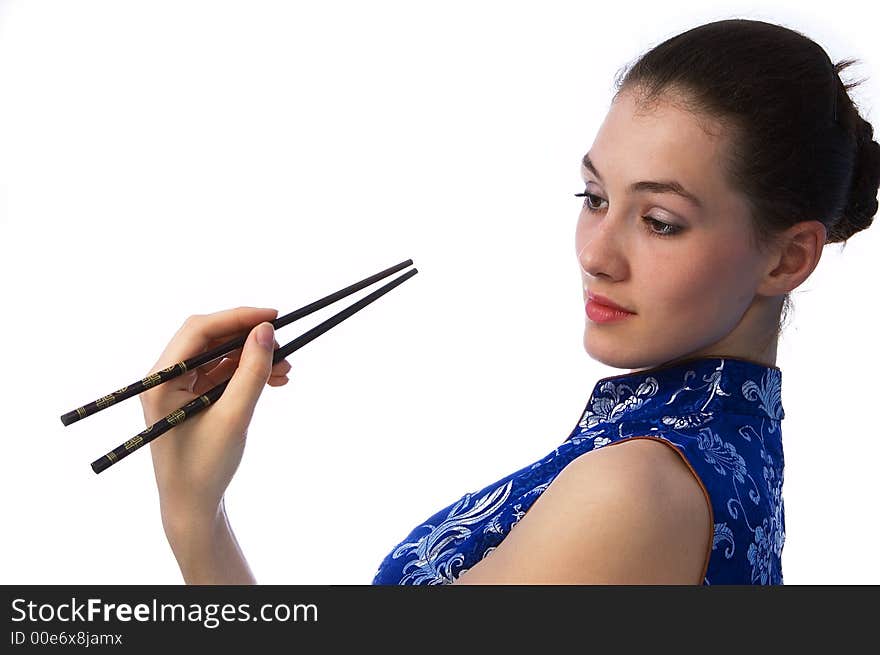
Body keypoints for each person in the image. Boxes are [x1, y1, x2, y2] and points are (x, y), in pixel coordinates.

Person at [141, 18, 879, 585]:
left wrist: (191, 519)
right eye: (594, 197)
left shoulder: (636, 489)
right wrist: (198, 513)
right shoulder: (698, 456)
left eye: (660, 221)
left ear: (788, 257)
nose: (596, 253)